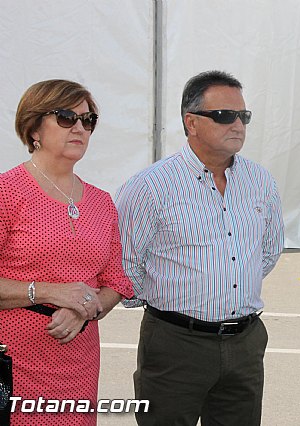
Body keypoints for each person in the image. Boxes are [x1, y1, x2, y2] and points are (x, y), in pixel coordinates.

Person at [115, 70, 285, 425]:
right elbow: (127, 264)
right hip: (177, 344)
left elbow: (267, 253)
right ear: (191, 122)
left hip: (245, 343)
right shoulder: (150, 187)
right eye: (224, 116)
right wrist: (179, 306)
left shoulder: (260, 180)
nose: (237, 125)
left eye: (243, 116)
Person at [0, 79, 134, 425]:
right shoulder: (7, 192)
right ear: (33, 128)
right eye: (65, 117)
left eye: (88, 120)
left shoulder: (102, 202)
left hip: (79, 361)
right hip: (12, 362)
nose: (80, 128)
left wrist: (83, 310)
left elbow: (116, 281)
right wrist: (48, 292)